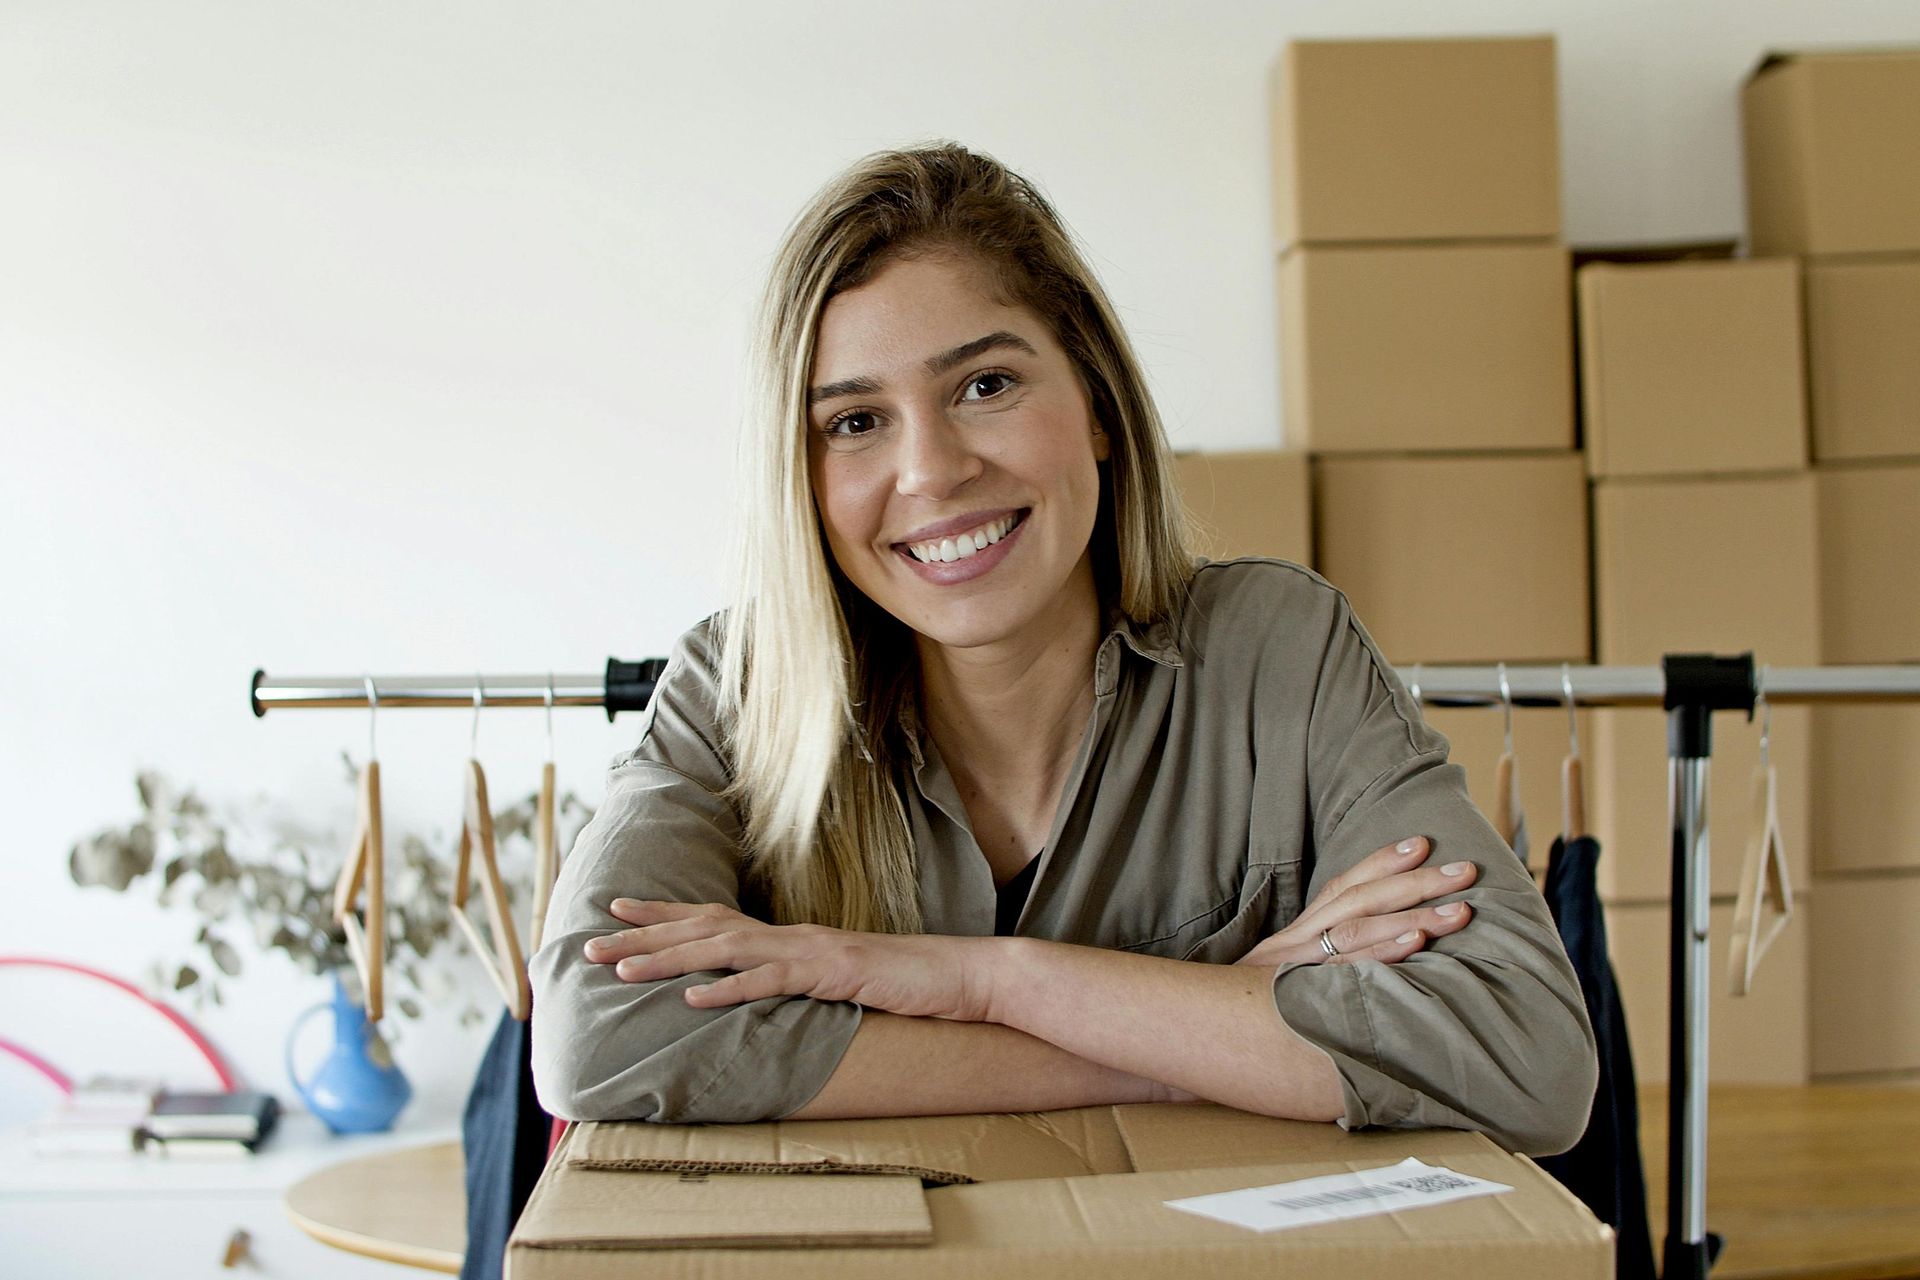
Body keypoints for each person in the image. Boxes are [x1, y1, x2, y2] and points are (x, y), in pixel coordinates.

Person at [529, 142, 1598, 1155]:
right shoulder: (733, 689)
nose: (932, 470)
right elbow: (595, 1038)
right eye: (854, 422)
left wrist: (985, 981)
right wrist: (1190, 1044)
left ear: (1096, 401)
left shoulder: (1283, 649)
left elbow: (1526, 1051)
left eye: (984, 386)